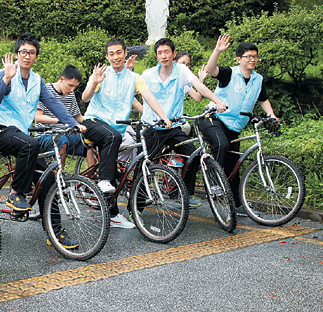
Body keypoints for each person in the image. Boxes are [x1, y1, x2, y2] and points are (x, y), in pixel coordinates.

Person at [0, 32, 85, 248]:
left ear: (36, 56)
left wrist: (71, 123)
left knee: (49, 178)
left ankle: (55, 232)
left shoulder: (36, 80)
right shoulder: (3, 73)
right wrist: (6, 79)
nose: (27, 56)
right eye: (23, 52)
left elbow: (55, 103)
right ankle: (16, 194)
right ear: (16, 54)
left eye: (31, 53)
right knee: (30, 144)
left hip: (21, 135)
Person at [83, 38, 172, 228]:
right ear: (107, 56)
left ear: (125, 54)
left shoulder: (134, 78)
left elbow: (149, 98)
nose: (115, 57)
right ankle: (104, 180)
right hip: (93, 121)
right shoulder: (101, 74)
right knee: (112, 139)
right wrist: (93, 82)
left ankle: (113, 215)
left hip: (115, 129)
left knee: (118, 166)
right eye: (111, 54)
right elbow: (85, 97)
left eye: (119, 53)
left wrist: (164, 117)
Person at [140, 38, 227, 208]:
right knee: (143, 165)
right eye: (159, 53)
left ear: (173, 54)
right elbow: (136, 95)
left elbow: (199, 88)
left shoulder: (181, 71)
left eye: (167, 52)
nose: (163, 56)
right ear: (156, 56)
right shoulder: (148, 74)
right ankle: (137, 206)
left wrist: (217, 101)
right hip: (152, 127)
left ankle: (186, 194)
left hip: (174, 127)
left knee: (193, 155)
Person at [203, 34, 278, 216]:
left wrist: (272, 115)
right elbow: (211, 69)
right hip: (213, 119)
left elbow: (263, 99)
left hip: (234, 127)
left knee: (234, 165)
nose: (252, 59)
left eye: (255, 56)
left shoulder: (257, 79)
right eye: (248, 56)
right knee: (222, 145)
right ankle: (213, 183)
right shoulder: (230, 73)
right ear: (239, 59)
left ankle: (236, 205)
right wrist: (217, 51)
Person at [35, 65, 90, 168]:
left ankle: (92, 176)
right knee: (62, 140)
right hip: (44, 136)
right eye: (70, 85)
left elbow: (77, 117)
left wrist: (93, 122)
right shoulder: (45, 90)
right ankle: (61, 176)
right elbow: (38, 117)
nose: (72, 89)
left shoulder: (70, 94)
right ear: (62, 79)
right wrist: (59, 120)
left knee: (91, 137)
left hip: (66, 133)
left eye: (75, 87)